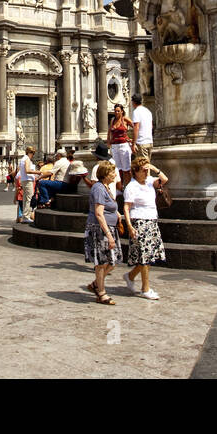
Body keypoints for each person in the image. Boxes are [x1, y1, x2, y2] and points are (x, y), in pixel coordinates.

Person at [123, 157, 169, 299]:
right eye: (143, 170)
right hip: (140, 221)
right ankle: (145, 288)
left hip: (152, 220)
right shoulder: (131, 187)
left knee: (149, 255)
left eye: (147, 170)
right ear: (135, 172)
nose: (146, 172)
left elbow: (164, 179)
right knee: (145, 255)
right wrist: (129, 225)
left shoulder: (149, 181)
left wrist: (154, 169)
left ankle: (130, 276)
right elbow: (126, 207)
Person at [83, 161, 121, 305]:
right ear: (105, 174)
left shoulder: (105, 187)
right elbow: (99, 213)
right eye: (112, 172)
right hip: (100, 230)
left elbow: (107, 206)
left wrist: (117, 214)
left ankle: (95, 284)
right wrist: (109, 235)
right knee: (102, 262)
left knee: (113, 260)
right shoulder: (98, 188)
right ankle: (101, 293)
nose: (115, 175)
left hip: (109, 227)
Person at [108, 104, 132, 187]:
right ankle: (120, 187)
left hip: (123, 145)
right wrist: (108, 142)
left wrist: (132, 139)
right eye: (115, 111)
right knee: (118, 169)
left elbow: (135, 127)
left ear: (122, 111)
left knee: (126, 168)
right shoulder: (112, 120)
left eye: (118, 111)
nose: (116, 112)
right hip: (115, 146)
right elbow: (109, 132)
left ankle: (128, 186)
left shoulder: (124, 119)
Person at [16, 145, 39, 224]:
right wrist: (37, 172)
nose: (33, 155)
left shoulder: (23, 159)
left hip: (24, 180)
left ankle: (25, 216)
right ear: (30, 152)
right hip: (28, 180)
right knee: (29, 197)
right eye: (33, 153)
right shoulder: (27, 159)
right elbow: (27, 170)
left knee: (26, 198)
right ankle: (26, 216)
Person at [130, 93, 154, 160]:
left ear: (133, 102)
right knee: (147, 165)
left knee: (143, 167)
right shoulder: (148, 111)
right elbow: (151, 126)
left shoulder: (136, 112)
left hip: (141, 142)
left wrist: (133, 144)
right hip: (149, 141)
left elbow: (136, 127)